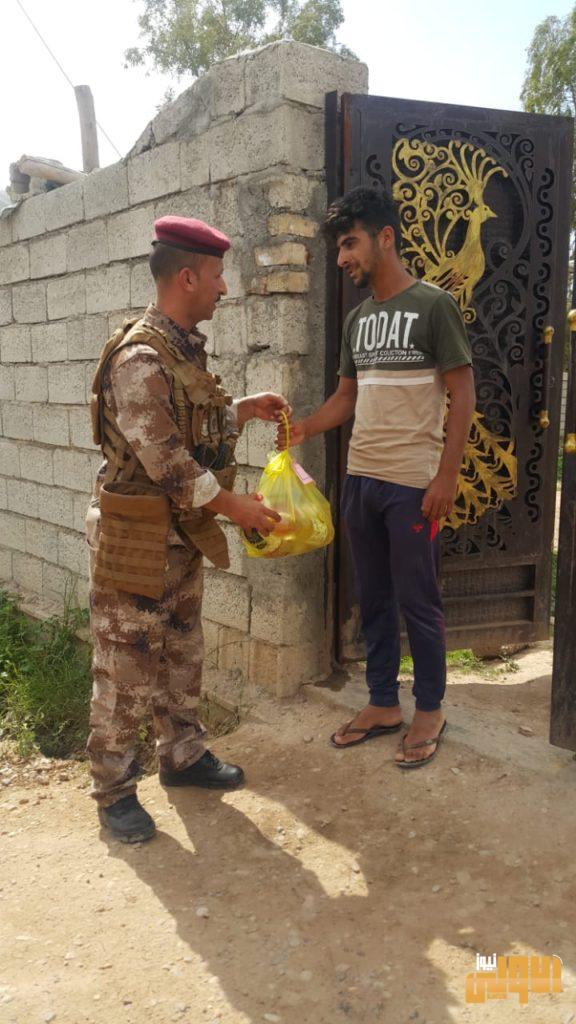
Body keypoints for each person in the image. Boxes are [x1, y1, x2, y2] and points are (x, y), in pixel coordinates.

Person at [86, 215, 289, 842]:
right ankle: (114, 789)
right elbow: (169, 463)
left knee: (181, 649)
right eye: (219, 277)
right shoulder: (140, 357)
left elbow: (189, 423)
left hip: (179, 537)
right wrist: (240, 508)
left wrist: (240, 411)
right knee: (127, 667)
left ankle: (183, 756)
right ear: (187, 276)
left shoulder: (180, 349)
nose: (224, 289)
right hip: (137, 538)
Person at [277, 187, 475, 768]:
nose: (342, 258)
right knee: (373, 599)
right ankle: (384, 703)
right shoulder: (358, 321)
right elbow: (346, 397)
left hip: (414, 483)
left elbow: (462, 393)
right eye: (340, 247)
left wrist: (447, 474)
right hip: (361, 481)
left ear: (384, 237)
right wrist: (305, 428)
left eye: (349, 243)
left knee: (420, 600)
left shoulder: (434, 306)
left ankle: (431, 708)